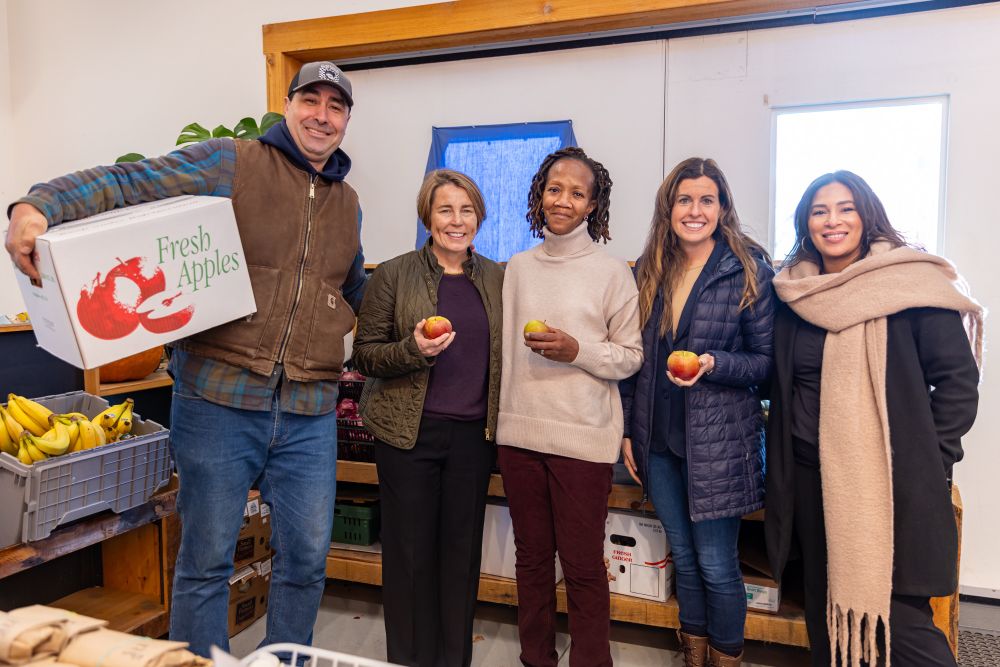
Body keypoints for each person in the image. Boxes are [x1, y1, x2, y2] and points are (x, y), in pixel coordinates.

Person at [4, 61, 367, 657]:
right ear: (289, 103)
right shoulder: (234, 162)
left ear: (347, 120)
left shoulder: (348, 205)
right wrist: (38, 205)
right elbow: (131, 181)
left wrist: (407, 324)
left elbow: (350, 290)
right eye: (312, 100)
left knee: (305, 560)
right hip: (218, 402)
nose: (322, 116)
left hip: (308, 411)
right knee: (205, 561)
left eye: (336, 106)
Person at [765, 171, 983, 667]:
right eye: (819, 211)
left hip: (889, 484)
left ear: (868, 215)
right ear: (806, 223)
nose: (833, 220)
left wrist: (929, 458)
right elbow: (778, 380)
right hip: (809, 478)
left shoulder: (910, 283)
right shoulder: (796, 293)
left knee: (901, 623)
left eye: (846, 208)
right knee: (827, 614)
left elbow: (957, 383)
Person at [619, 157, 775, 667]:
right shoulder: (650, 268)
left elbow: (766, 364)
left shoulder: (747, 267)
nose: (694, 210)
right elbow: (633, 359)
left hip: (719, 442)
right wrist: (627, 428)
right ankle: (694, 651)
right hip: (658, 439)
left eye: (706, 199)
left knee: (715, 562)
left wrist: (713, 364)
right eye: (684, 199)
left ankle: (726, 657)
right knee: (683, 555)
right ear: (668, 209)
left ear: (723, 206)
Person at [496, 146, 643, 667]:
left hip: (583, 440)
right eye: (555, 189)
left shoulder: (611, 273)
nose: (564, 200)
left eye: (577, 193)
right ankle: (536, 658)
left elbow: (630, 357)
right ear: (540, 194)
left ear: (592, 206)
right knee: (531, 560)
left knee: (581, 564)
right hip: (519, 437)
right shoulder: (516, 268)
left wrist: (576, 351)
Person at [351, 169, 503, 667]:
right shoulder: (393, 274)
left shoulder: (499, 278)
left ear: (478, 216)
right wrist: (414, 350)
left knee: (460, 559)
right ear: (427, 217)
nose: (456, 221)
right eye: (445, 210)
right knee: (410, 558)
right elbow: (365, 357)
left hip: (473, 437)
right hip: (407, 435)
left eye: (466, 210)